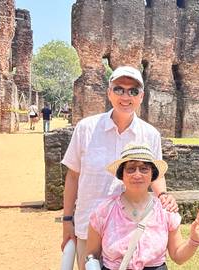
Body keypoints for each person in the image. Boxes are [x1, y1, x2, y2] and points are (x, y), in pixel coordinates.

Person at [61, 66, 178, 269]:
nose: (126, 96)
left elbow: (156, 175)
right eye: (119, 89)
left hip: (129, 226)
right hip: (89, 224)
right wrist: (67, 220)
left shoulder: (150, 134)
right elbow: (73, 177)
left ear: (141, 96)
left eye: (133, 91)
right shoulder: (86, 129)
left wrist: (164, 196)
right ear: (109, 93)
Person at [83, 143, 199, 270]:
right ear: (121, 174)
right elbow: (91, 258)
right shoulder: (104, 212)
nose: (137, 174)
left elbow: (177, 256)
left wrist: (193, 241)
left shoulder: (165, 211)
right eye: (130, 169)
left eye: (144, 168)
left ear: (152, 174)